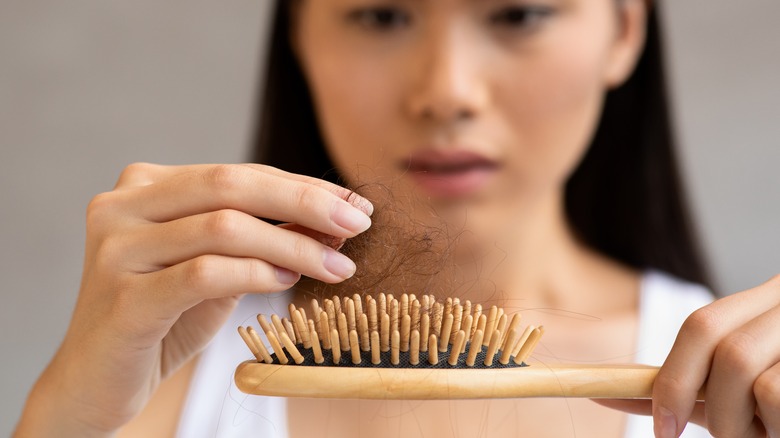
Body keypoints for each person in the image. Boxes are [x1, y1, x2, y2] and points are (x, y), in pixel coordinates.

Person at [14, 0, 780, 437]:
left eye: (518, 12)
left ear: (624, 32)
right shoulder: (164, 378)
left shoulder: (742, 393)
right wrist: (64, 417)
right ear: (299, 36)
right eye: (381, 14)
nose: (446, 91)